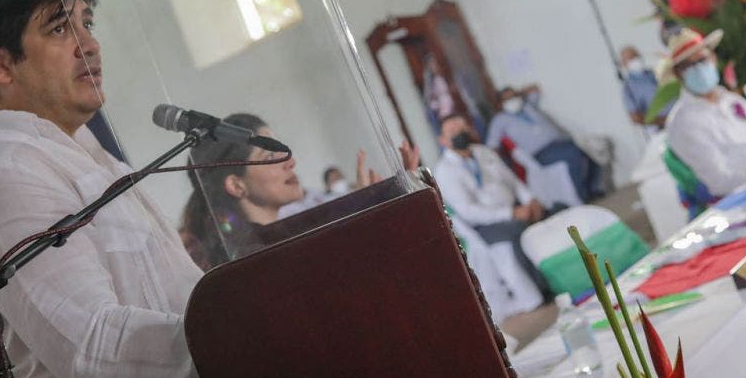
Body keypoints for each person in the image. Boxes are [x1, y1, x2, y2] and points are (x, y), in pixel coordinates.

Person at [0, 0, 203, 378]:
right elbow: (92, 348)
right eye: (59, 28)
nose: (90, 45)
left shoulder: (84, 156)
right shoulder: (2, 176)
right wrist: (234, 340)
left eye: (87, 22)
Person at [180, 117, 420, 270]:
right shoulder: (256, 258)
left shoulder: (286, 235)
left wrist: (375, 205)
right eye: (270, 157)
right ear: (236, 185)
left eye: (281, 150)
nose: (290, 161)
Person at [433, 114, 551, 298]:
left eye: (463, 128)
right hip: (485, 225)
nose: (461, 134)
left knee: (552, 212)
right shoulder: (445, 171)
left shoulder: (483, 151)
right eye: (453, 132)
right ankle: (545, 289)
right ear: (443, 140)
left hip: (516, 208)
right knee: (519, 230)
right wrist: (510, 213)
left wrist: (530, 200)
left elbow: (512, 181)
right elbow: (468, 211)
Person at [665, 28, 746, 197]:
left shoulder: (732, 100)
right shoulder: (682, 123)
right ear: (678, 74)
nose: (699, 69)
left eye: (702, 60)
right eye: (689, 66)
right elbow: (719, 181)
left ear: (713, 58)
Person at [485, 85, 602, 202]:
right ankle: (583, 196)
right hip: (541, 153)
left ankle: (593, 188)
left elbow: (534, 89)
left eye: (514, 96)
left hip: (560, 142)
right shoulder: (500, 120)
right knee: (573, 155)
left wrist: (519, 94)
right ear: (500, 104)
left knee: (591, 153)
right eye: (508, 99)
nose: (513, 100)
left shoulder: (527, 106)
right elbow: (492, 145)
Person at [619, 45, 665, 128]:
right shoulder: (629, 88)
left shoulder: (655, 72)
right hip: (662, 128)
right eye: (631, 58)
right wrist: (663, 120)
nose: (636, 60)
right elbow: (635, 117)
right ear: (624, 64)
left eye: (637, 56)